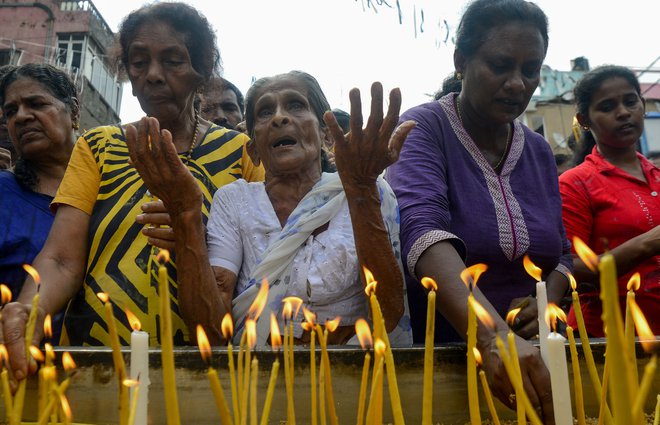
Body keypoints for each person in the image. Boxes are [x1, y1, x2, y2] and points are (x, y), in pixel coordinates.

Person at [0, 2, 264, 383]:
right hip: (100, 366)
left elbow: (260, 263)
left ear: (202, 71)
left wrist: (191, 229)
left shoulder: (241, 153)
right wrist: (30, 310)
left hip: (211, 369)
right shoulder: (99, 147)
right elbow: (61, 259)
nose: (153, 75)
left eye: (172, 61)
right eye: (139, 63)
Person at [129, 70, 415, 346]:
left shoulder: (367, 188)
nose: (279, 117)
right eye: (265, 112)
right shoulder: (235, 201)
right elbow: (211, 332)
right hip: (258, 381)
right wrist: (185, 215)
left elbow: (389, 311)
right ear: (252, 149)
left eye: (295, 105)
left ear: (326, 135)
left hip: (351, 379)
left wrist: (361, 189)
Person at [386, 0, 570, 419]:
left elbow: (562, 253)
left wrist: (547, 300)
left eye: (530, 69)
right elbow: (421, 232)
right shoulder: (423, 129)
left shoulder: (538, 151)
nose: (517, 84)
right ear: (461, 62)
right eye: (501, 65)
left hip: (541, 358)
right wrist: (493, 337)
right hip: (448, 361)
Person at [559, 65, 660, 337]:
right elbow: (568, 268)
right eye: (607, 106)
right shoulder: (576, 183)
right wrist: (647, 243)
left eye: (630, 101)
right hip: (605, 340)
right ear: (584, 120)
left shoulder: (657, 176)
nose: (624, 112)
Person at [0, 63, 80, 342]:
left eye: (36, 103)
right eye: (11, 112)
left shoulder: (115, 187)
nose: (21, 117)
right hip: (22, 367)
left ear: (74, 112)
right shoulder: (4, 194)